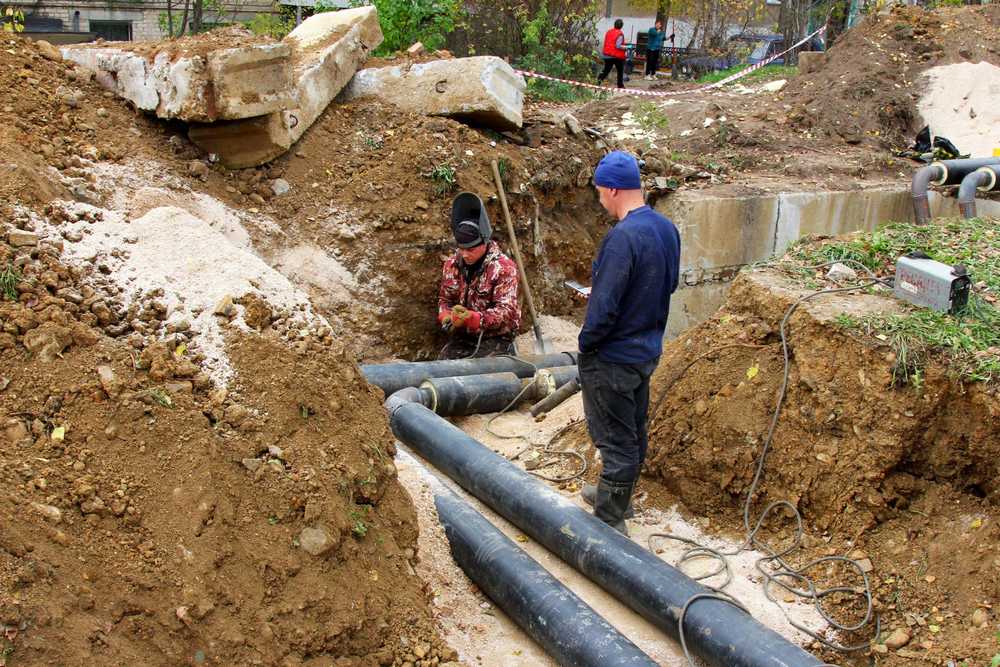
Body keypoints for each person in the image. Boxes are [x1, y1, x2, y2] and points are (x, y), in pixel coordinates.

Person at [578, 151, 681, 535]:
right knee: (634, 431)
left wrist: (587, 344)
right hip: (645, 351)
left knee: (616, 441)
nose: (599, 200)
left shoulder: (622, 238)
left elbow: (603, 311)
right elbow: (664, 285)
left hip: (613, 359)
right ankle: (616, 498)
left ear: (612, 189)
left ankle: (609, 523)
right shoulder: (666, 229)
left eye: (599, 193)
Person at [437, 192, 522, 360]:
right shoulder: (452, 265)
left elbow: (505, 312)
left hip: (496, 337)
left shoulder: (504, 269)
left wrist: (473, 319)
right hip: (464, 337)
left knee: (480, 378)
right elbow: (445, 299)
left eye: (471, 249)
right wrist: (446, 316)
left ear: (484, 243)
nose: (465, 254)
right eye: (461, 249)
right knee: (443, 368)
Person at [597, 18, 627, 89]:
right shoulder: (620, 34)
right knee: (620, 70)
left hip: (607, 54)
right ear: (621, 26)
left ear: (614, 25)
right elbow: (618, 45)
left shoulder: (609, 32)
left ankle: (598, 80)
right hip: (616, 56)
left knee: (606, 70)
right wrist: (625, 47)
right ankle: (620, 85)